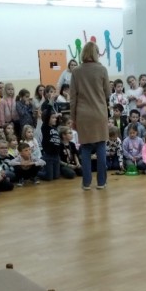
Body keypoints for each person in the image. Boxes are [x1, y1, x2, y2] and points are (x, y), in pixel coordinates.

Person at [70, 41, 110, 190]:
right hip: (99, 113)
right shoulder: (102, 70)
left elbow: (72, 98)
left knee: (85, 149)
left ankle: (86, 183)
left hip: (83, 115)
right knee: (101, 147)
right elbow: (108, 93)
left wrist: (73, 118)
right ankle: (101, 182)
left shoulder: (76, 71)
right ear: (96, 53)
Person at [41, 108, 61, 181]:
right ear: (47, 119)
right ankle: (36, 172)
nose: (55, 119)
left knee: (56, 176)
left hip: (56, 156)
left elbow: (57, 120)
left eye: (55, 118)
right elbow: (47, 116)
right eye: (53, 118)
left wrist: (57, 115)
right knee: (49, 177)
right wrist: (50, 103)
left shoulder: (55, 127)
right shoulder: (45, 128)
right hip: (49, 156)